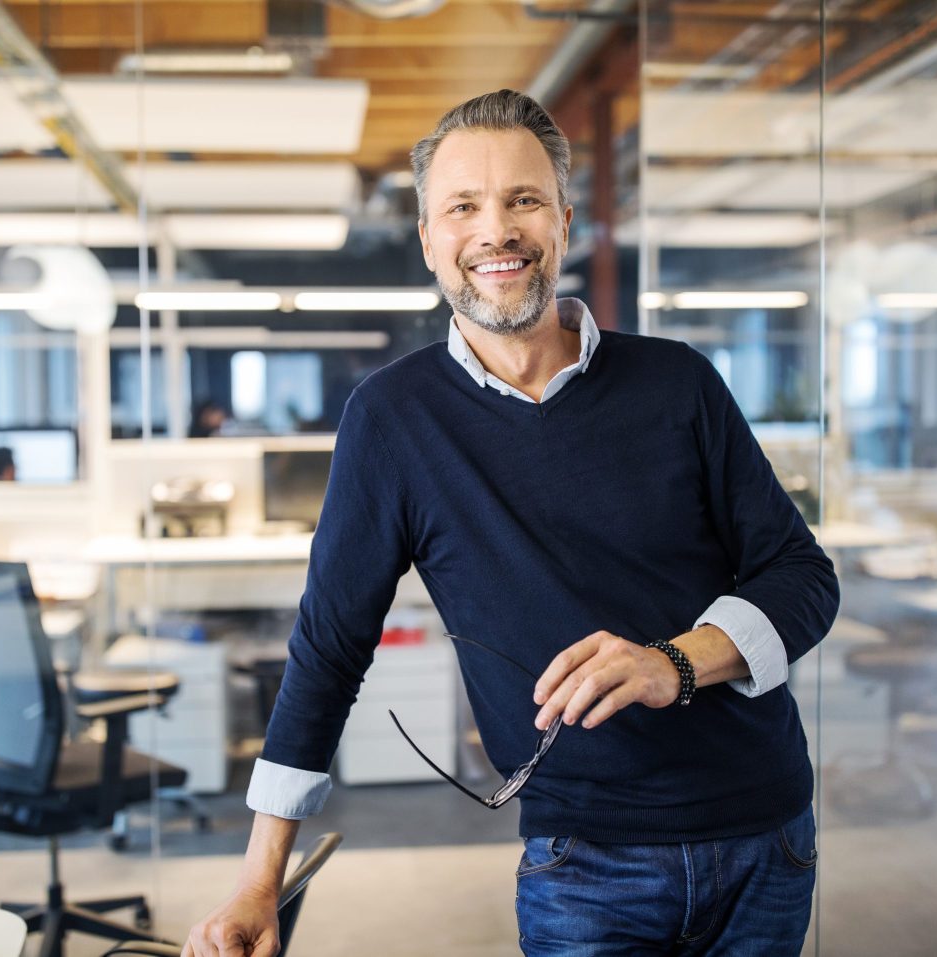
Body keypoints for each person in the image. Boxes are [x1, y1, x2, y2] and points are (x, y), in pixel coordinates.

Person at [184, 89, 839, 956]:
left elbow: (802, 578)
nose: (496, 230)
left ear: (564, 221)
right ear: (428, 238)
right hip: (586, 863)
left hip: (766, 833)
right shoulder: (393, 419)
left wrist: (672, 664)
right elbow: (328, 649)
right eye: (463, 206)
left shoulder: (677, 383)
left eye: (523, 200)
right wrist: (258, 883)